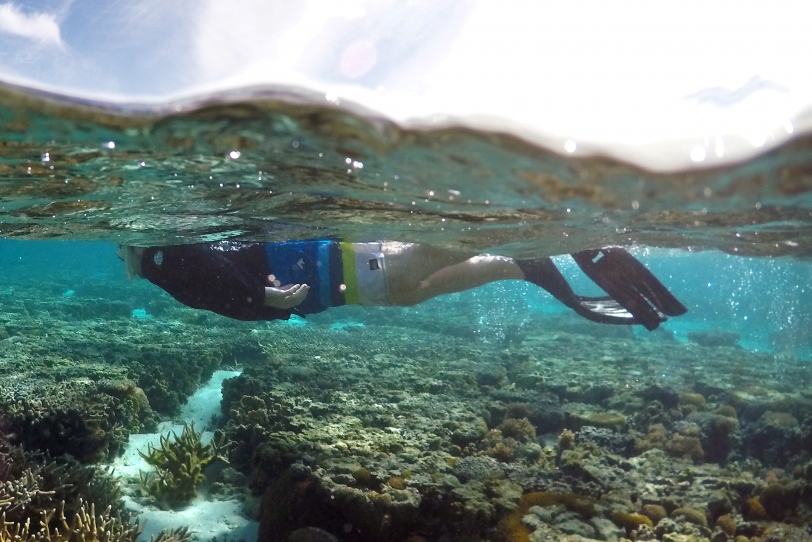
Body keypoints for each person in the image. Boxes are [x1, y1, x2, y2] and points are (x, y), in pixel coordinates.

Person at [117, 241, 687, 330]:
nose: (120, 254)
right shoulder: (163, 263)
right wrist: (257, 298)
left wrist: (257, 296)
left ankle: (552, 239)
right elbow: (220, 287)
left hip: (334, 271)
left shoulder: (166, 257)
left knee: (421, 264)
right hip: (337, 284)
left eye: (123, 248)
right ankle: (527, 262)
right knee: (419, 285)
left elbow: (215, 281)